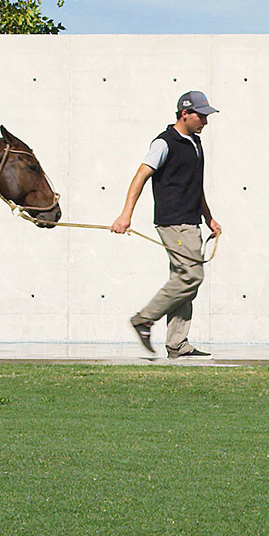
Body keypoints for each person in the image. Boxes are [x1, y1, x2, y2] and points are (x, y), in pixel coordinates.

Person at [112, 90, 224, 359]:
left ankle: (177, 344)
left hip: (191, 221)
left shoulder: (195, 143)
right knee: (191, 276)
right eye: (201, 116)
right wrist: (125, 215)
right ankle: (144, 319)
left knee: (184, 281)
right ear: (185, 113)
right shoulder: (164, 143)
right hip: (174, 222)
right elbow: (140, 176)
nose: (205, 122)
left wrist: (208, 217)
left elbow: (195, 186)